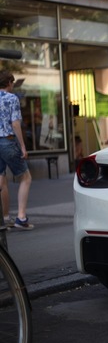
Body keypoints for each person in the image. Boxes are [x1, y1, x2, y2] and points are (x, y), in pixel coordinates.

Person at [0, 70, 33, 230]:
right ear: (9, 83)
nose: (13, 85)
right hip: (8, 141)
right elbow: (15, 124)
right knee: (25, 177)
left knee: (1, 179)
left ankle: (5, 218)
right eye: (12, 83)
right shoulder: (12, 98)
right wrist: (22, 146)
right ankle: (21, 217)